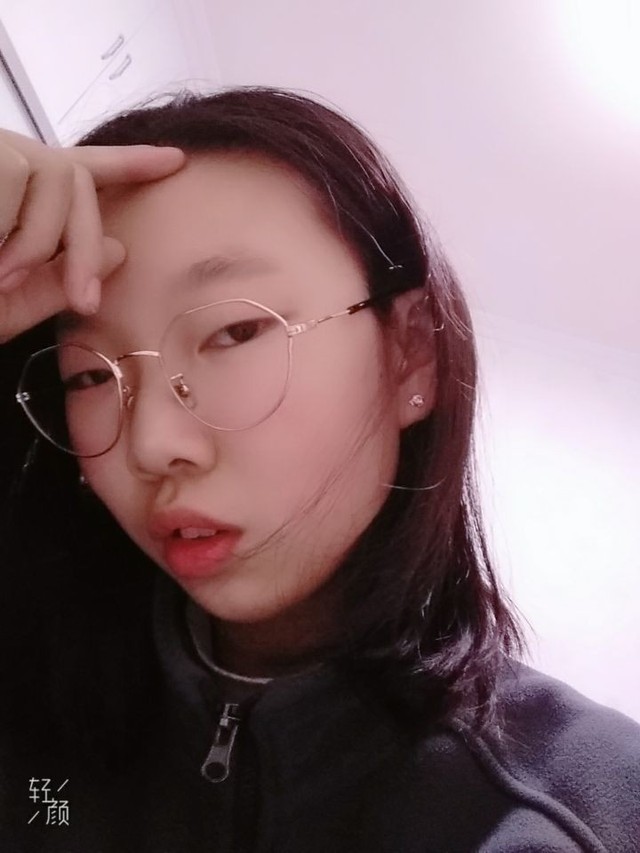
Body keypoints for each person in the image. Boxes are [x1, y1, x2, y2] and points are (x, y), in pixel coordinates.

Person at [0, 87, 638, 853]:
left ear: (411, 352)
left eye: (234, 332)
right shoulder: (37, 702)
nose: (151, 443)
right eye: (88, 374)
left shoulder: (566, 807)